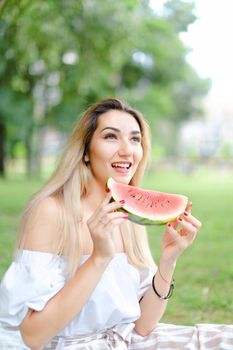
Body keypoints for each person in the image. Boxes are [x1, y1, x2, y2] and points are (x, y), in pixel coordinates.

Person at [0, 98, 232, 350]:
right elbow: (33, 336)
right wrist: (99, 258)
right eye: (111, 137)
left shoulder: (128, 216)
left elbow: (143, 326)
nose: (127, 150)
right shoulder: (52, 211)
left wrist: (169, 259)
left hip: (128, 341)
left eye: (135, 139)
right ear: (86, 151)